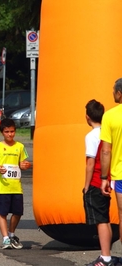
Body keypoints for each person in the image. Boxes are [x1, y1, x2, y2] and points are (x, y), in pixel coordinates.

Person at [0, 118, 31, 249]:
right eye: (7, 132)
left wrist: (26, 165)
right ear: (2, 132)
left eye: (12, 131)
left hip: (16, 187)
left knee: (18, 212)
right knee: (2, 213)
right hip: (1, 187)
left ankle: (12, 234)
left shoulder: (20, 147)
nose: (10, 134)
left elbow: (23, 164)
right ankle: (5, 238)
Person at [83, 99, 113, 266]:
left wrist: (86, 185)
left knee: (100, 220)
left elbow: (90, 163)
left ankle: (105, 257)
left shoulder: (91, 136)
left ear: (87, 117)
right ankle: (106, 254)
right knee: (105, 218)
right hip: (108, 179)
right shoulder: (107, 132)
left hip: (96, 181)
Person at [101, 78, 122, 265]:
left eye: (113, 90)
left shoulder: (110, 116)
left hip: (120, 174)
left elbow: (106, 150)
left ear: (120, 93)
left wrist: (103, 177)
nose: (112, 93)